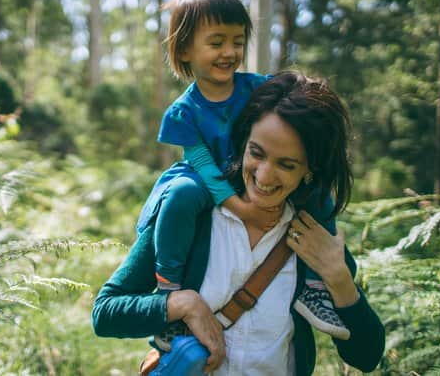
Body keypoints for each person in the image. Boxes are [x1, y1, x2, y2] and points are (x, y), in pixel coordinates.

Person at [92, 72, 385, 375]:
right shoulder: (191, 217)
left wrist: (338, 278)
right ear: (243, 142)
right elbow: (105, 313)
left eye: (286, 164)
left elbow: (366, 357)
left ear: (310, 170)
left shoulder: (313, 238)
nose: (264, 176)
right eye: (256, 153)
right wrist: (181, 303)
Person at [136, 0, 349, 348]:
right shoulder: (183, 113)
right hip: (208, 181)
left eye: (237, 41)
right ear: (184, 49)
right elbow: (203, 166)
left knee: (316, 190)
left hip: (250, 174)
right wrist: (242, 210)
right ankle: (168, 293)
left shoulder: (258, 87)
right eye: (216, 42)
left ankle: (316, 287)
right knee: (182, 195)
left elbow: (299, 99)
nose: (229, 52)